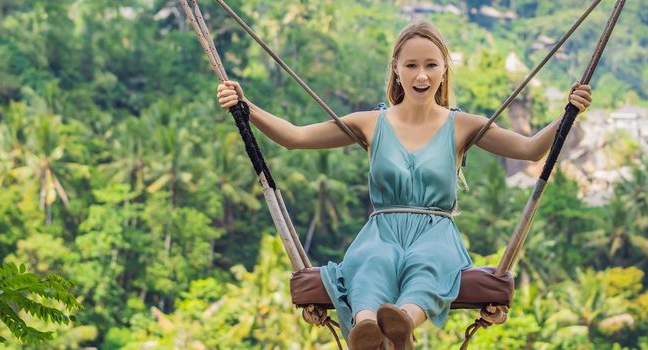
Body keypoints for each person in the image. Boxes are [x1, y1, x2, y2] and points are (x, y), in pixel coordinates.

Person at [216, 19, 591, 350]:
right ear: (396, 70)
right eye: (411, 65)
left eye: (430, 65)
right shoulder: (369, 123)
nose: (421, 75)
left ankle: (401, 328)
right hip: (381, 230)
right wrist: (245, 106)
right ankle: (365, 329)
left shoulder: (463, 125)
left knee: (427, 266)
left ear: (445, 69)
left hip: (435, 233)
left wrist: (567, 114)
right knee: (373, 264)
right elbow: (295, 137)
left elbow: (529, 150)